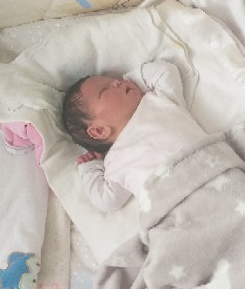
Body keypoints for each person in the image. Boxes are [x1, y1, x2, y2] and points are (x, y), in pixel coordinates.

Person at [62, 60, 207, 212]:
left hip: (210, 167)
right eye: (105, 90)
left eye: (115, 80)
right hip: (175, 208)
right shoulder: (115, 162)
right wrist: (90, 169)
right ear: (99, 131)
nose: (117, 82)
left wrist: (131, 80)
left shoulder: (159, 100)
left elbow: (165, 70)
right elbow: (106, 200)